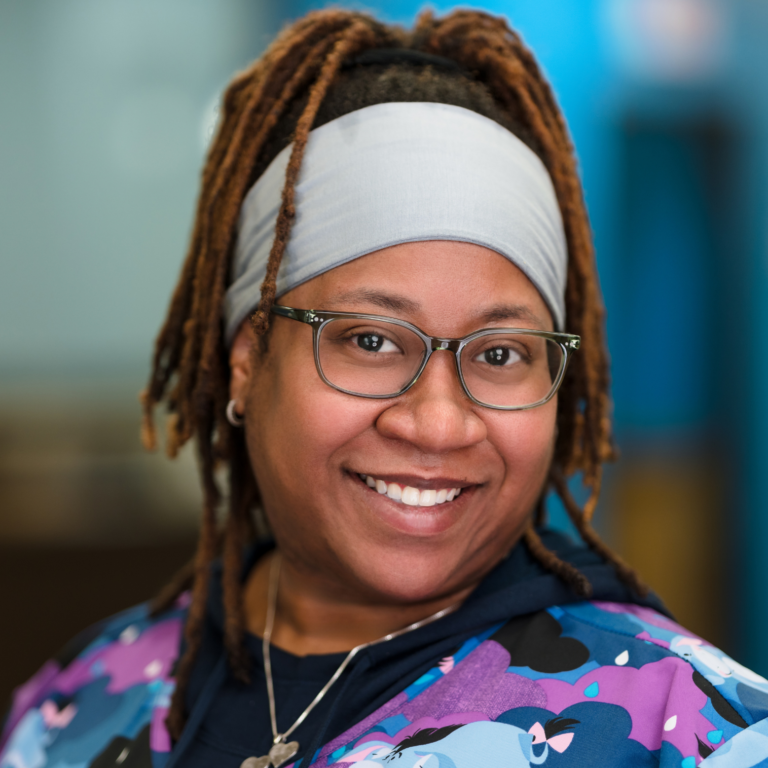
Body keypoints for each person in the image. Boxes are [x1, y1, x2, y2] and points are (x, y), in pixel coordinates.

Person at [3, 8, 768, 768]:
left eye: (500, 354)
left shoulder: (684, 728)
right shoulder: (79, 709)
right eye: (370, 341)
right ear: (247, 360)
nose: (437, 423)